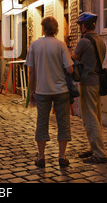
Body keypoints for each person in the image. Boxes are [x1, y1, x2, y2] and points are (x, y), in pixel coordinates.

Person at [26, 17, 74, 168]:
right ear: (56, 28)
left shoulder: (35, 45)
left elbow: (31, 71)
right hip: (61, 91)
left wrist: (32, 91)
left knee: (42, 122)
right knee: (63, 122)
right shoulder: (61, 45)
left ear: (43, 28)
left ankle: (41, 157)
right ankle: (62, 156)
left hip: (42, 91)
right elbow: (69, 69)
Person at [72, 12, 107, 164]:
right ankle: (94, 148)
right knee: (97, 117)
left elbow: (74, 58)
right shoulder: (100, 40)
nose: (79, 28)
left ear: (84, 26)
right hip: (98, 81)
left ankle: (99, 153)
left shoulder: (84, 42)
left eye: (80, 25)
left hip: (87, 81)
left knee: (89, 118)